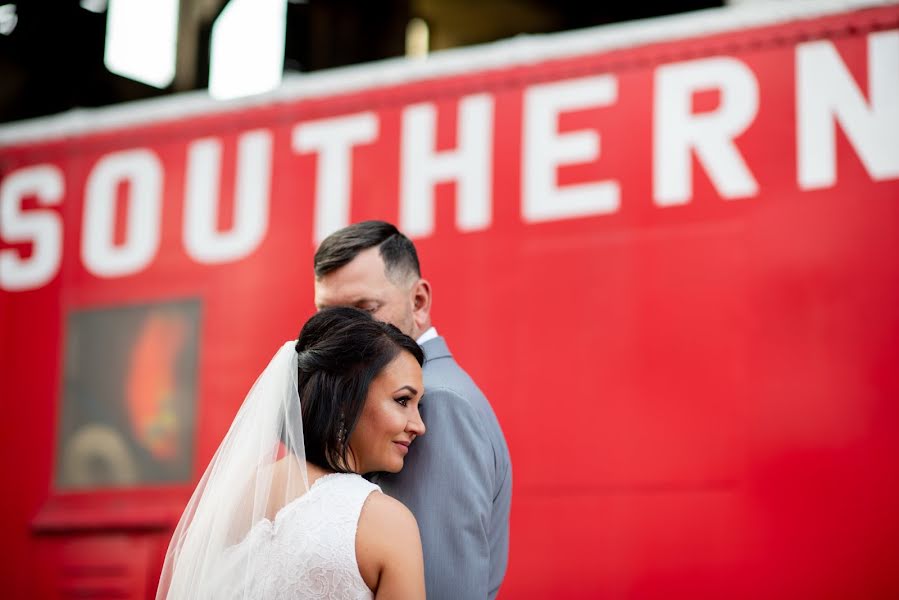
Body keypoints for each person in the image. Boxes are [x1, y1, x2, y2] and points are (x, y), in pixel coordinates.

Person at [157, 307, 427, 599]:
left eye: (418, 406)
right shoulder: (388, 524)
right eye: (402, 400)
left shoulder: (235, 497)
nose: (419, 426)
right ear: (347, 400)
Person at [314, 221, 512, 599]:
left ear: (418, 303)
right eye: (327, 315)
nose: (341, 333)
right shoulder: (401, 393)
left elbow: (438, 586)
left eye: (364, 309)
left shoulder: (436, 405)